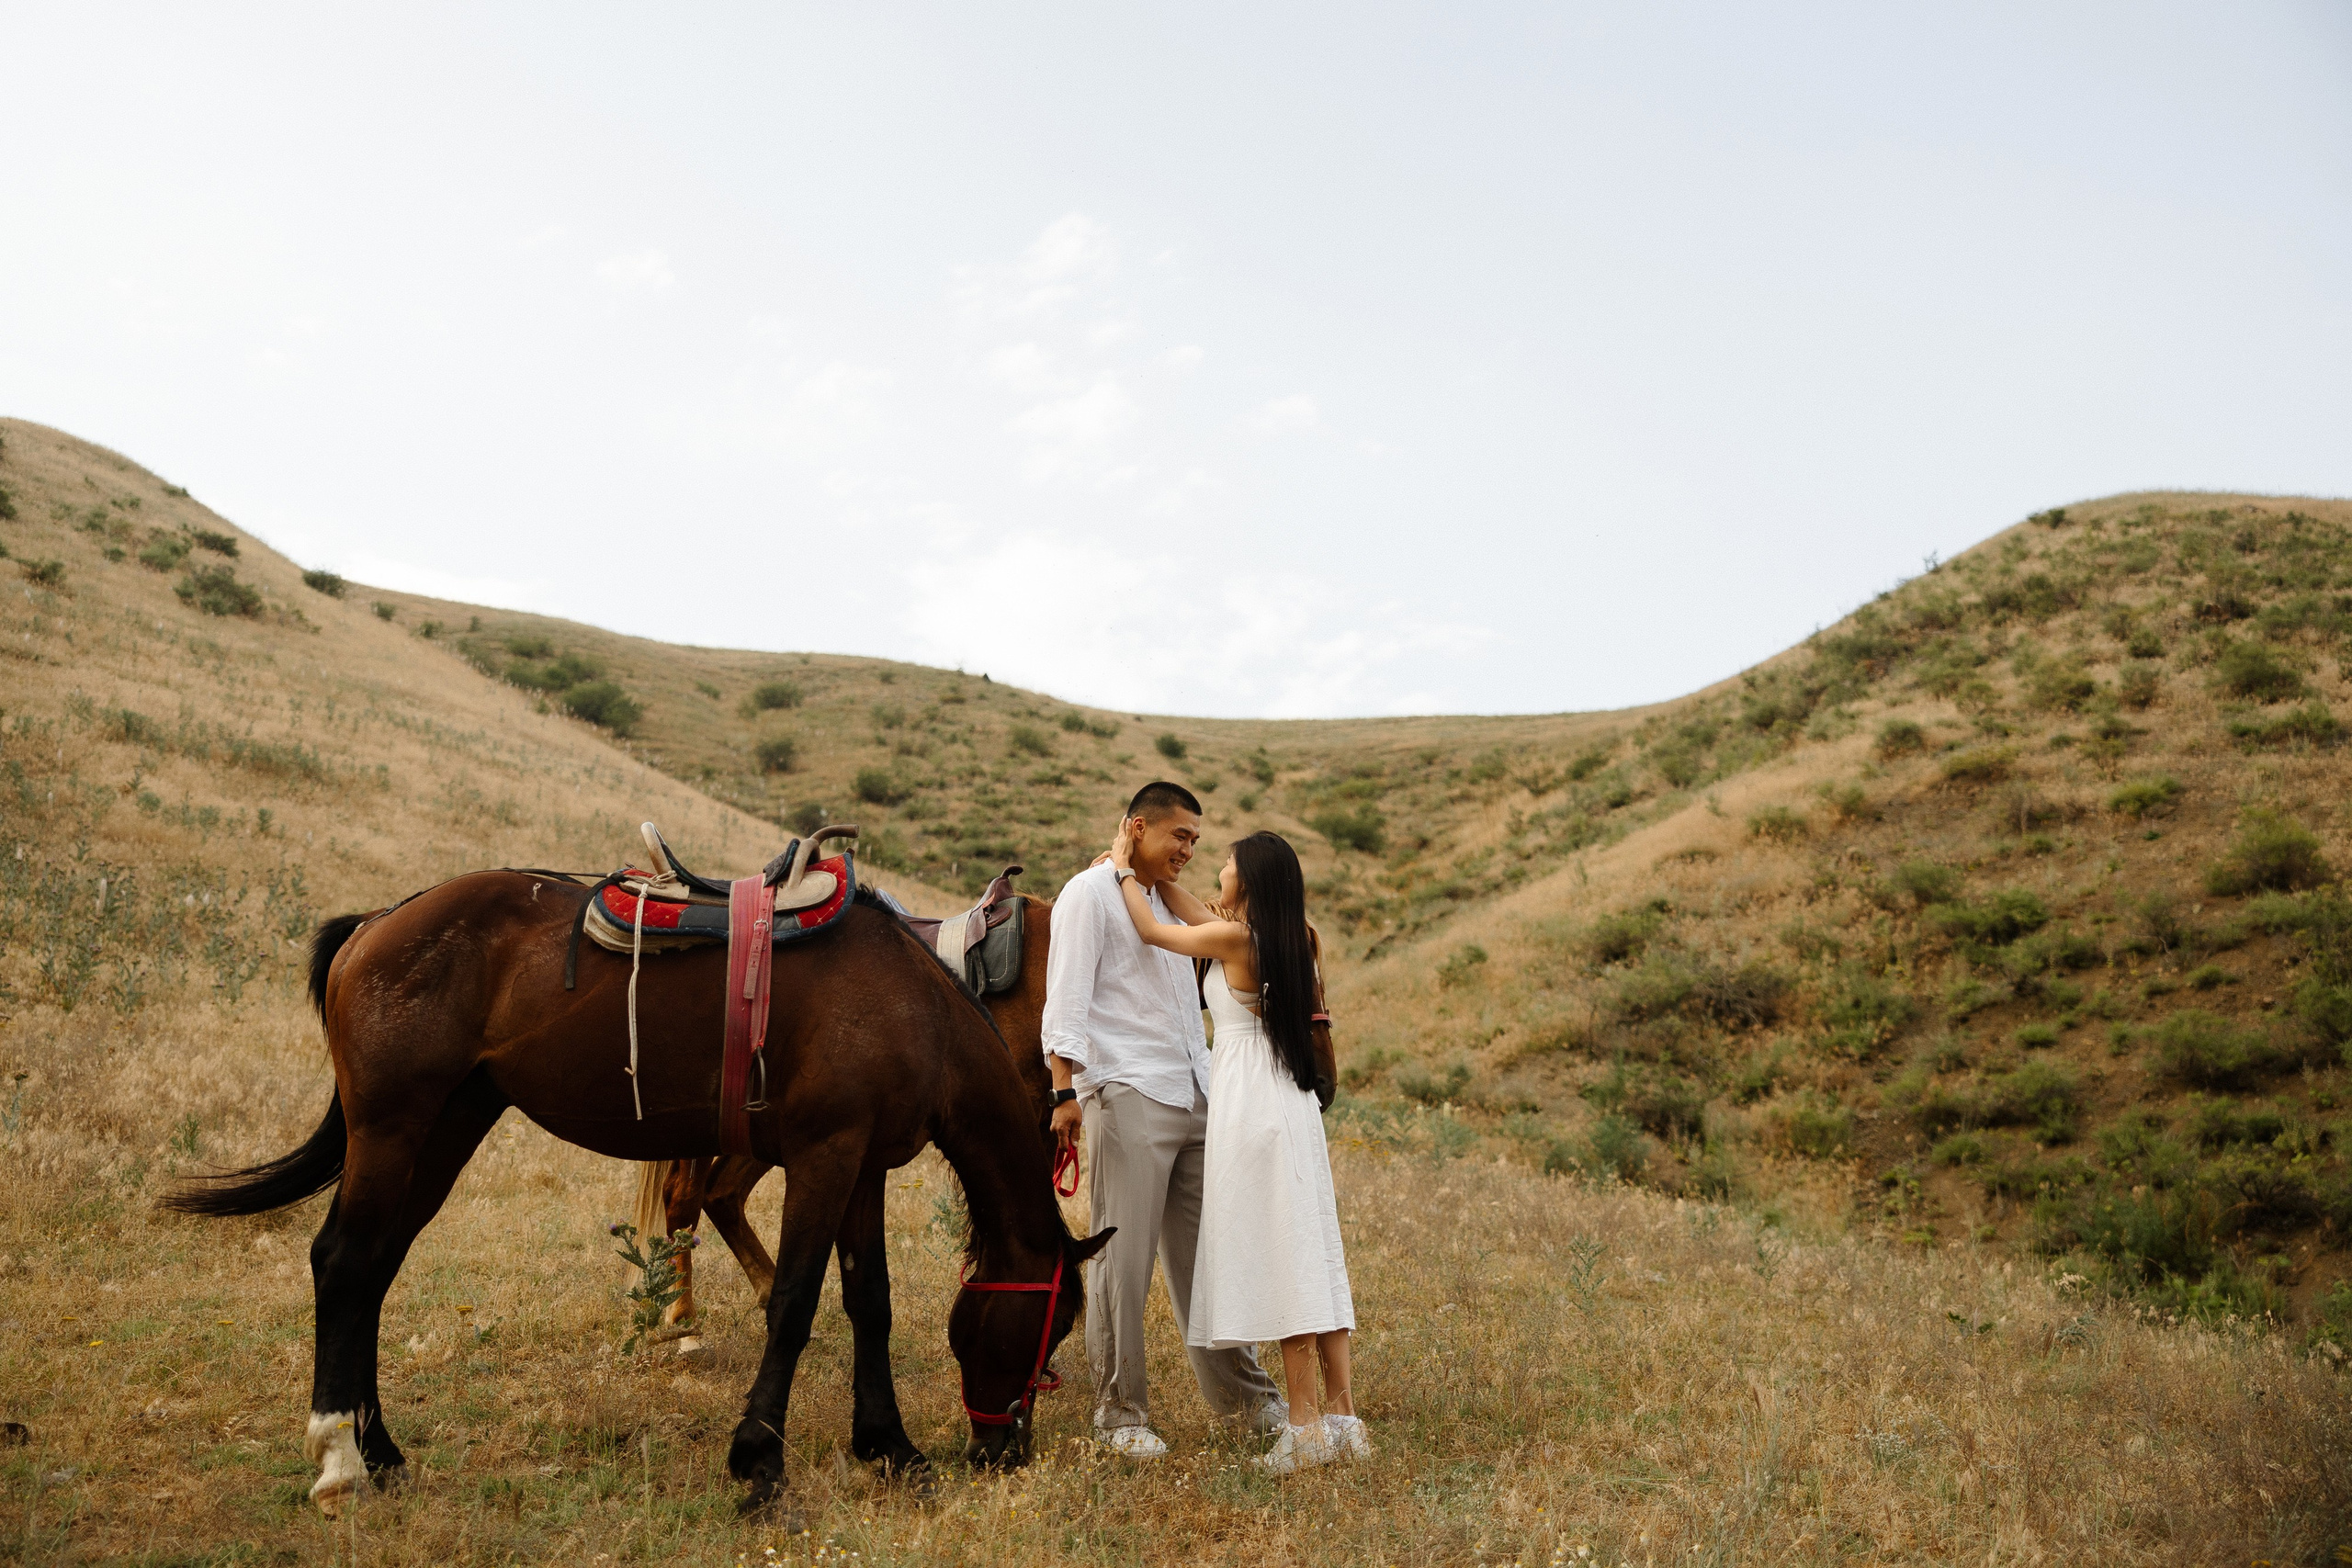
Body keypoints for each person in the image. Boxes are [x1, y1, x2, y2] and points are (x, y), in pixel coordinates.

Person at [1106, 824, 1365, 1474]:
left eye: (1225, 863)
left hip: (1254, 1103)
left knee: (1282, 1258)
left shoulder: (1237, 940)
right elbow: (1196, 912)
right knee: (1312, 1251)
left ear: (1247, 878)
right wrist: (1156, 875)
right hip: (1291, 1105)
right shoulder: (1293, 936)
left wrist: (1125, 872)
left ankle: (1303, 1427)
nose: (1217, 870)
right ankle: (1343, 1420)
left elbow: (1155, 931)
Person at [1043, 783, 1284, 1457]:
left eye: (1196, 841)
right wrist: (1063, 1092)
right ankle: (1120, 1414)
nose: (1189, 850)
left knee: (1211, 1257)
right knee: (1122, 1261)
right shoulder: (1088, 894)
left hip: (1195, 1090)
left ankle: (1251, 1404)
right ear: (1137, 827)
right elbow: (1065, 999)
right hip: (1127, 1088)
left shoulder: (1162, 900)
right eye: (1179, 836)